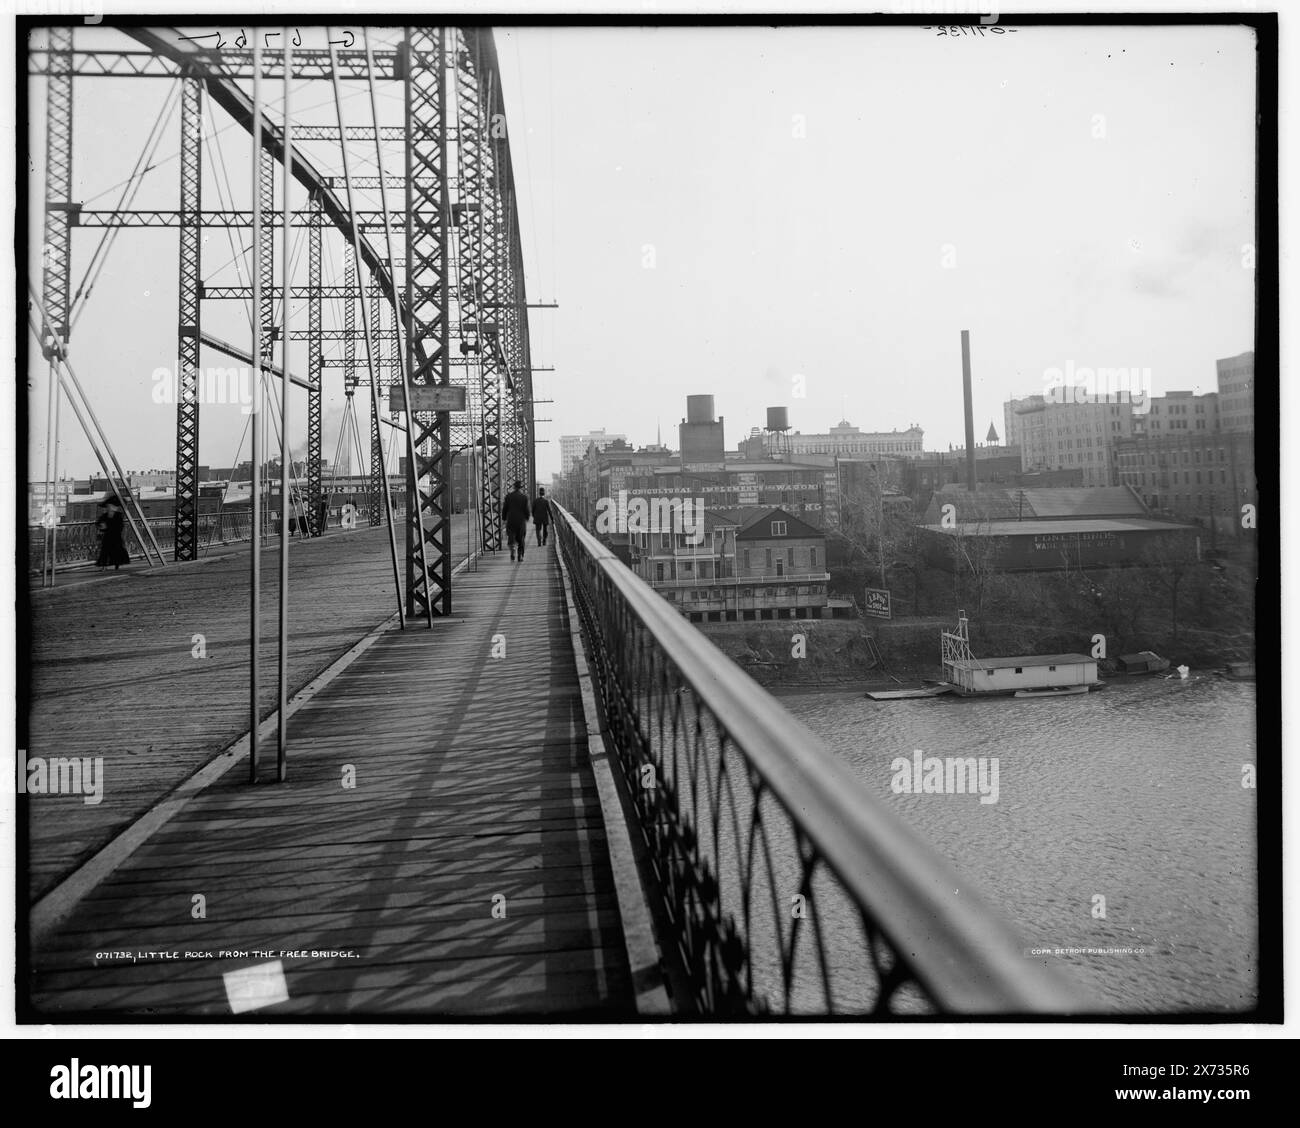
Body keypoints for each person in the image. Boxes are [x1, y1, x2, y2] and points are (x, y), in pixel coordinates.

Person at [95, 495, 130, 571]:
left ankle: (116, 564)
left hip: (116, 536)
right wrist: (101, 526)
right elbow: (98, 523)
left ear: (113, 507)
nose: (108, 508)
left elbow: (120, 526)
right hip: (107, 536)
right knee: (105, 551)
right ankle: (104, 566)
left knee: (116, 550)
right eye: (108, 507)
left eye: (110, 506)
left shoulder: (118, 516)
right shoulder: (104, 516)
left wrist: (107, 527)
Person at [500, 479, 531, 562]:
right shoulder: (524, 497)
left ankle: (512, 548)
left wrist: (504, 518)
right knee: (521, 539)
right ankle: (520, 555)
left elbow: (505, 509)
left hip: (511, 520)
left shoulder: (508, 496)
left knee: (511, 536)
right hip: (521, 521)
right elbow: (526, 510)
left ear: (514, 487)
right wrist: (527, 517)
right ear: (521, 488)